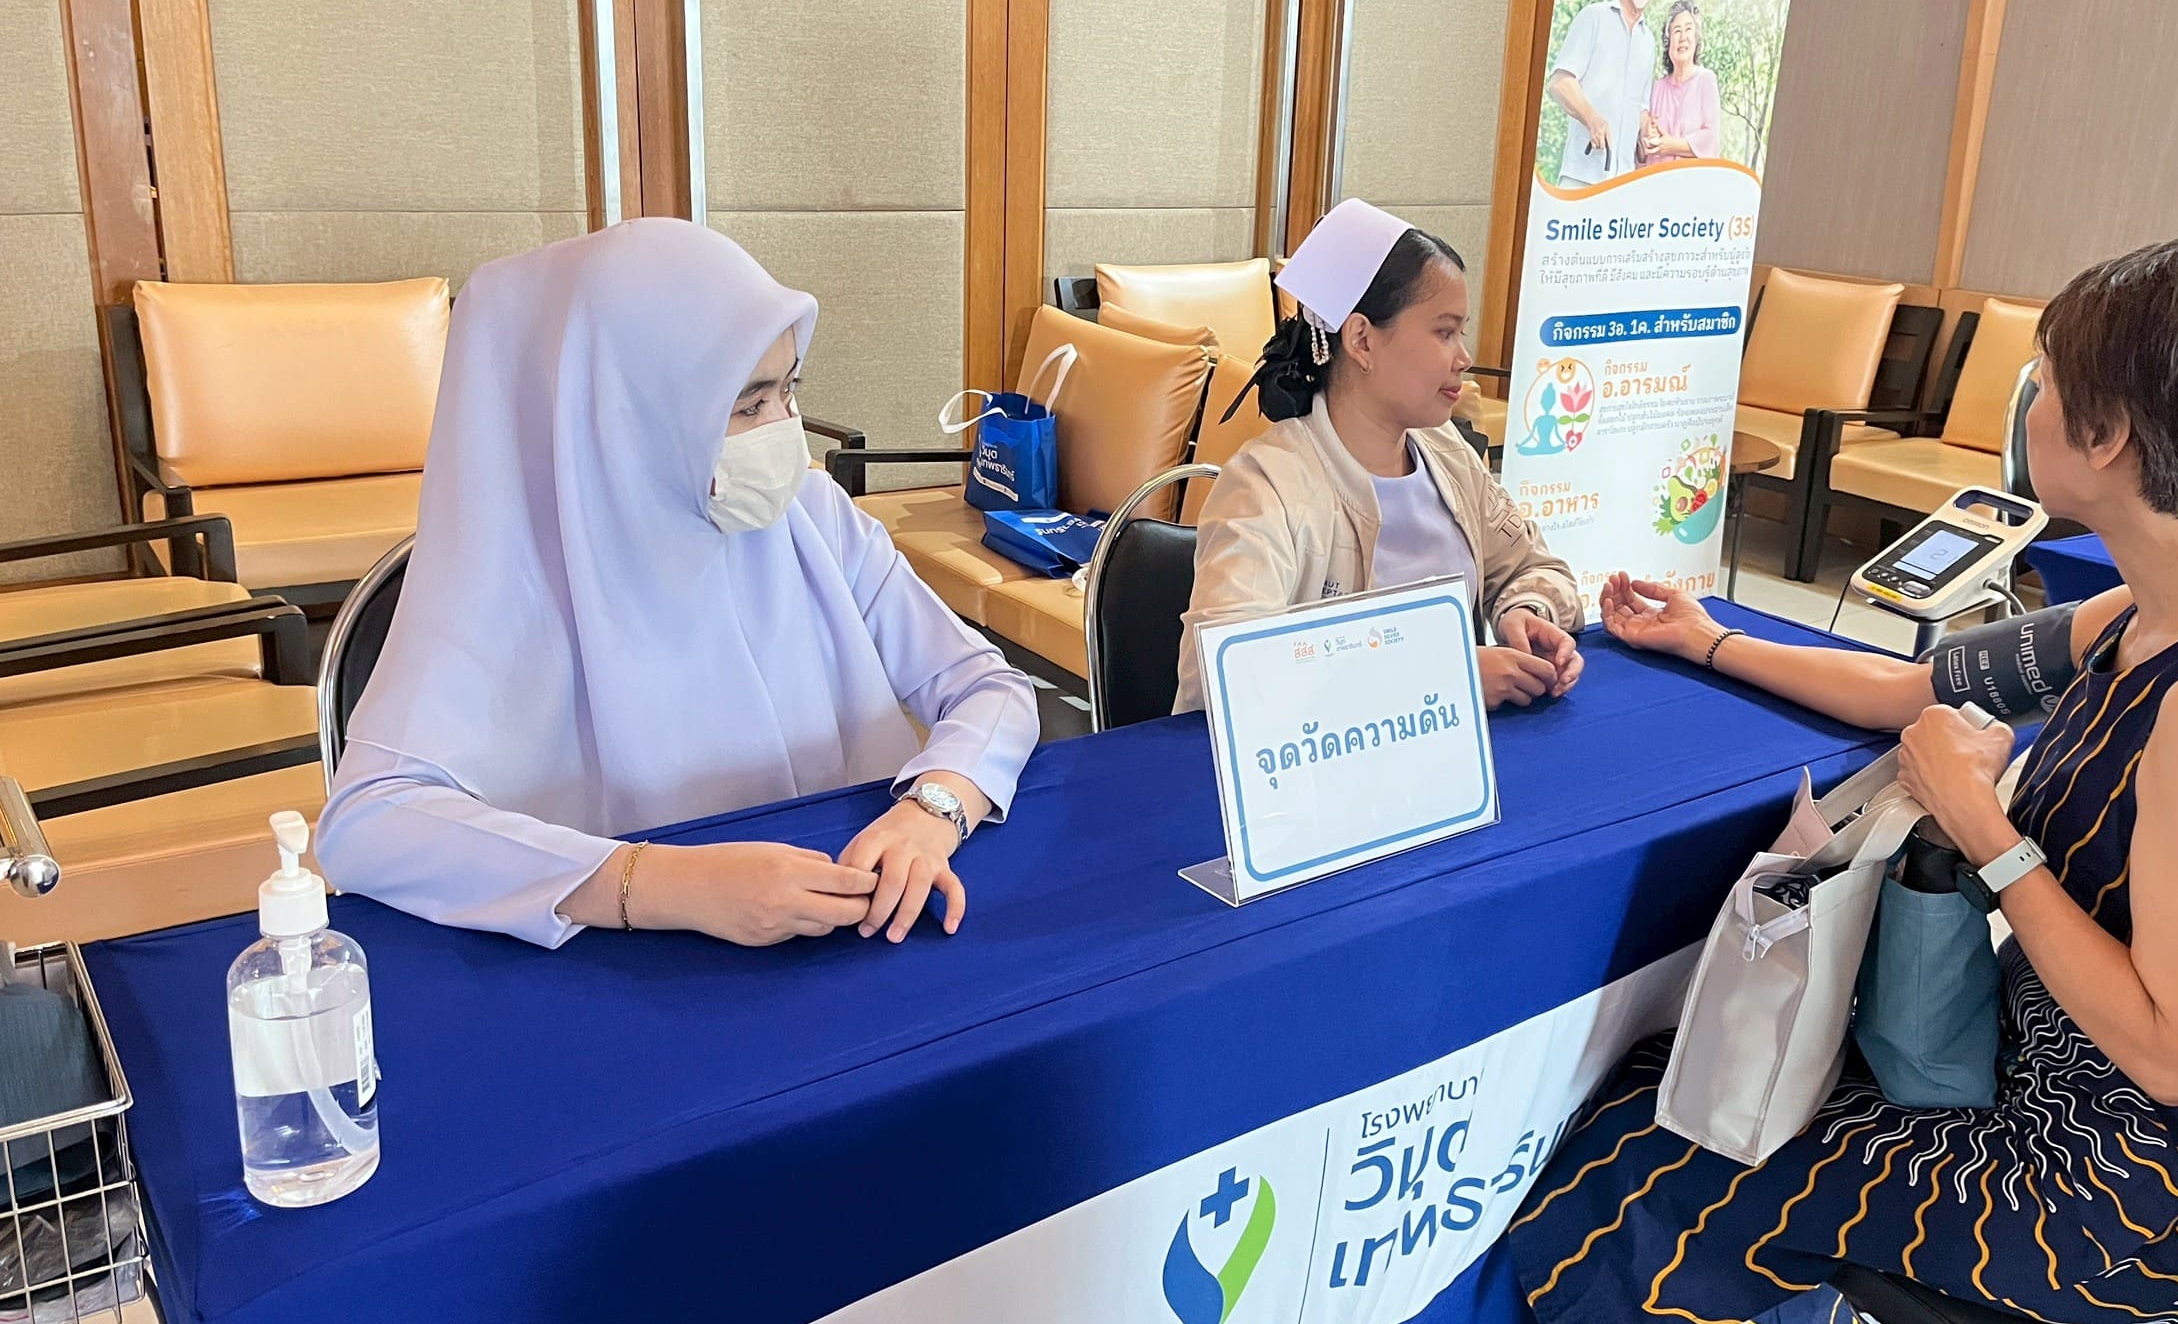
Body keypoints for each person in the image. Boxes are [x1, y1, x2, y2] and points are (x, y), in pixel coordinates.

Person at [1505, 234, 2178, 1324]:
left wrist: (1986, 827)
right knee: (1695, 1084)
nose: (2031, 398)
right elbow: (1922, 683)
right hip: (2044, 1082)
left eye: (2049, 376)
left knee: (1674, 1148)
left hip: (2132, 1199)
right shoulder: (2148, 609)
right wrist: (1710, 641)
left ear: (2112, 434)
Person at [316, 220, 1040, 950]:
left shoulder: (810, 516)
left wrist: (934, 808)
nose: (784, 431)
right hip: (631, 966)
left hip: (853, 918)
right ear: (627, 419)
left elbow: (988, 686)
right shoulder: (506, 572)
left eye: (789, 390)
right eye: (749, 405)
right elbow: (367, 823)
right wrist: (661, 883)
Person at [1174, 199, 1586, 715]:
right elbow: (1228, 673)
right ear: (1362, 340)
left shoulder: (1447, 454)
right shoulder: (1266, 486)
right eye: (1444, 332)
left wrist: (1525, 612)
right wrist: (1442, 676)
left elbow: (1534, 567)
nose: (1463, 357)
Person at [1546, 0, 1659, 189]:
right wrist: (1592, 118)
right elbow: (1559, 83)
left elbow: (1640, 108)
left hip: (1623, 184)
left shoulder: (1649, 42)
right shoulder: (1593, 17)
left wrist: (1647, 131)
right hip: (1582, 176)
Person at [1637, 0, 1719, 167]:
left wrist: (1671, 146)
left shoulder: (1706, 80)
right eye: (1676, 31)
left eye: (1688, 29)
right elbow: (1641, 153)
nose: (1683, 37)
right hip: (1657, 179)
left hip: (1690, 180)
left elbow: (1711, 140)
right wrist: (1646, 139)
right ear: (1668, 42)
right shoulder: (1657, 88)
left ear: (1696, 40)